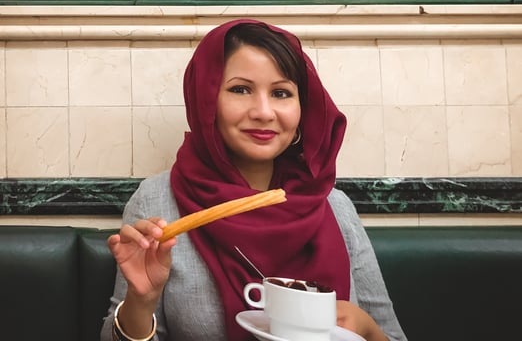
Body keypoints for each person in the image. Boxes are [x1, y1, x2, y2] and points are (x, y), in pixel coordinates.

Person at [101, 19, 407, 341]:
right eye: (240, 89)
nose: (263, 111)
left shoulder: (334, 205)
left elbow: (391, 335)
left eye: (281, 93)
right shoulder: (158, 202)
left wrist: (366, 328)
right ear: (207, 104)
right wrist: (140, 302)